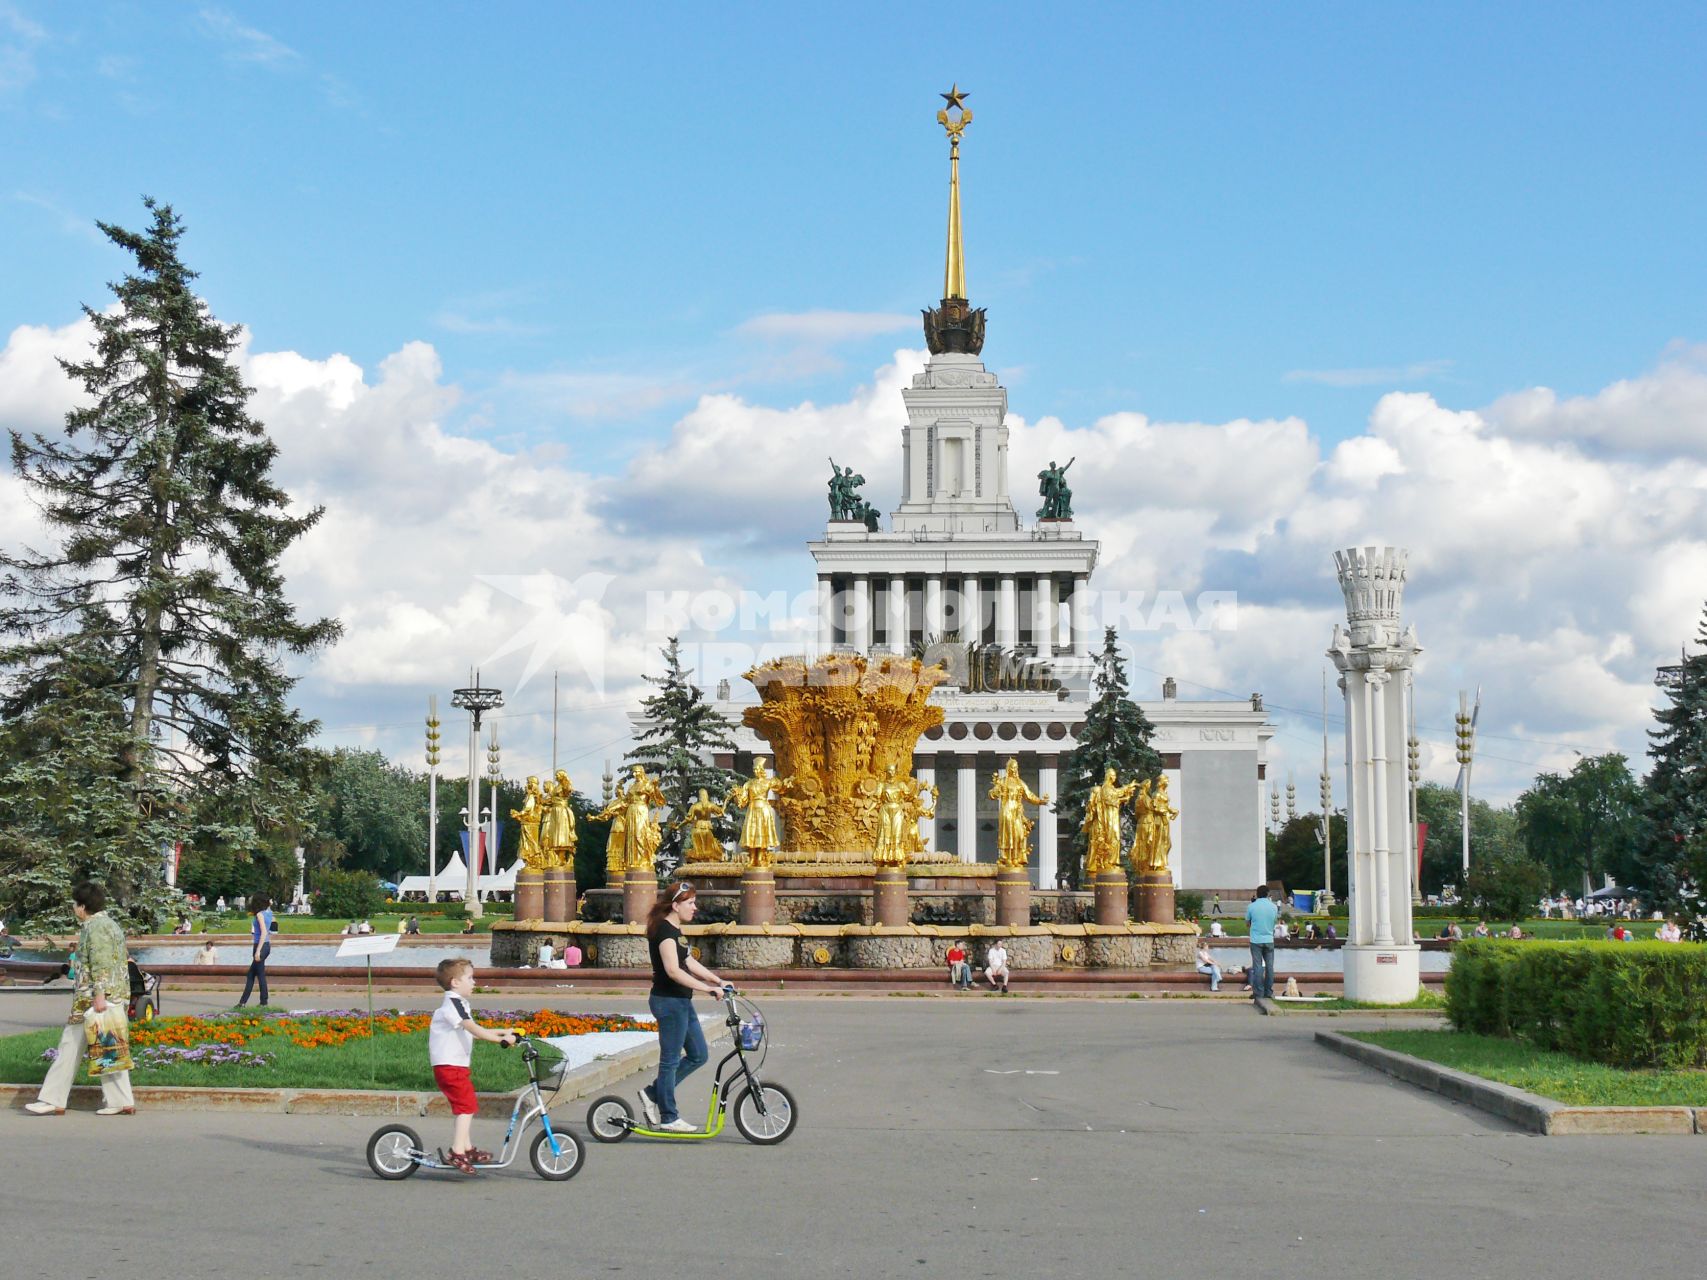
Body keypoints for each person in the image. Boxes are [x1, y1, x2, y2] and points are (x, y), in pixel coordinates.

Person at [27, 882, 136, 1117]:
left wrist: (99, 995)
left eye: (75, 905)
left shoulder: (94, 927)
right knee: (108, 1047)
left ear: (82, 906)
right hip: (113, 995)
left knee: (70, 1047)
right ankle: (121, 1101)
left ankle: (52, 1099)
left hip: (92, 999)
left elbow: (101, 963)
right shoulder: (111, 925)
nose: (74, 909)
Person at [640, 882, 727, 1133]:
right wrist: (707, 989)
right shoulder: (665, 933)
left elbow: (687, 961)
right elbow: (673, 971)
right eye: (690, 903)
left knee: (699, 1054)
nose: (695, 907)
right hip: (668, 1002)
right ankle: (669, 1117)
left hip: (681, 1002)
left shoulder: (676, 931)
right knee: (669, 1061)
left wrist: (718, 981)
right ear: (675, 905)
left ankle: (652, 1094)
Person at [430, 957, 520, 1174]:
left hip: (455, 1066)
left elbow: (472, 1031)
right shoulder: (453, 1004)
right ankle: (457, 1152)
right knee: (467, 1106)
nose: (474, 982)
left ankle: (467, 1148)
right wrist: (500, 1039)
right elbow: (472, 1028)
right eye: (470, 978)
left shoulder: (458, 1004)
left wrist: (501, 1032)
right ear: (455, 982)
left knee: (466, 1105)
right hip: (449, 1066)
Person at [237, 893, 274, 1007]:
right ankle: (247, 1002)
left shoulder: (259, 914)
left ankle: (261, 1002)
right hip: (266, 945)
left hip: (260, 945)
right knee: (254, 974)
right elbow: (270, 904)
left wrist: (258, 951)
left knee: (256, 975)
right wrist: (269, 902)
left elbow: (263, 932)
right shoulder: (269, 912)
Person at [1245, 884, 1278, 1003]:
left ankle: (1258, 992)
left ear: (1257, 894)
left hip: (1256, 940)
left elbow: (1247, 923)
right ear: (1268, 894)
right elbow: (1274, 921)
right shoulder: (1273, 907)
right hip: (1269, 939)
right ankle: (1268, 992)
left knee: (1257, 967)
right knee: (1269, 967)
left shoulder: (1251, 906)